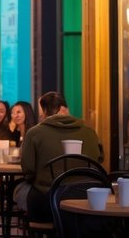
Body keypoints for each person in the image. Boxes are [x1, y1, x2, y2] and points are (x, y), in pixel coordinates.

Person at [15, 91, 105, 221]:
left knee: (20, 190)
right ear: (64, 108)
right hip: (87, 197)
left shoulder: (34, 133)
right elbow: (99, 160)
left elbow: (28, 170)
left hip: (50, 199)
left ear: (44, 111)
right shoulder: (90, 132)